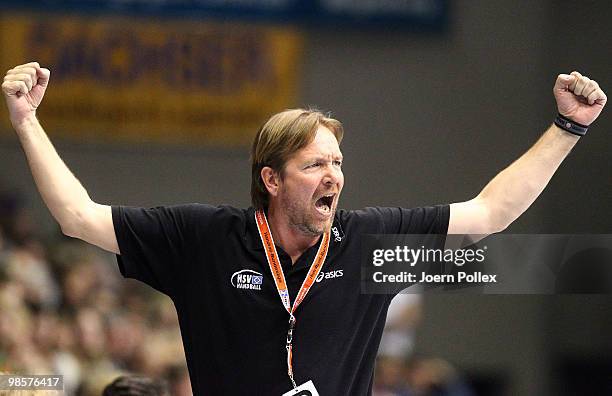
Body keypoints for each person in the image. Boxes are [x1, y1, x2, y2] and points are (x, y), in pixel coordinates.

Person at [1, 62, 606, 395]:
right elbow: (78, 217)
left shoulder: (371, 243)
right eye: (315, 164)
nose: (333, 177)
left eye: (338, 163)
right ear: (271, 178)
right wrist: (26, 121)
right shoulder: (203, 241)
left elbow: (492, 212)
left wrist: (568, 128)